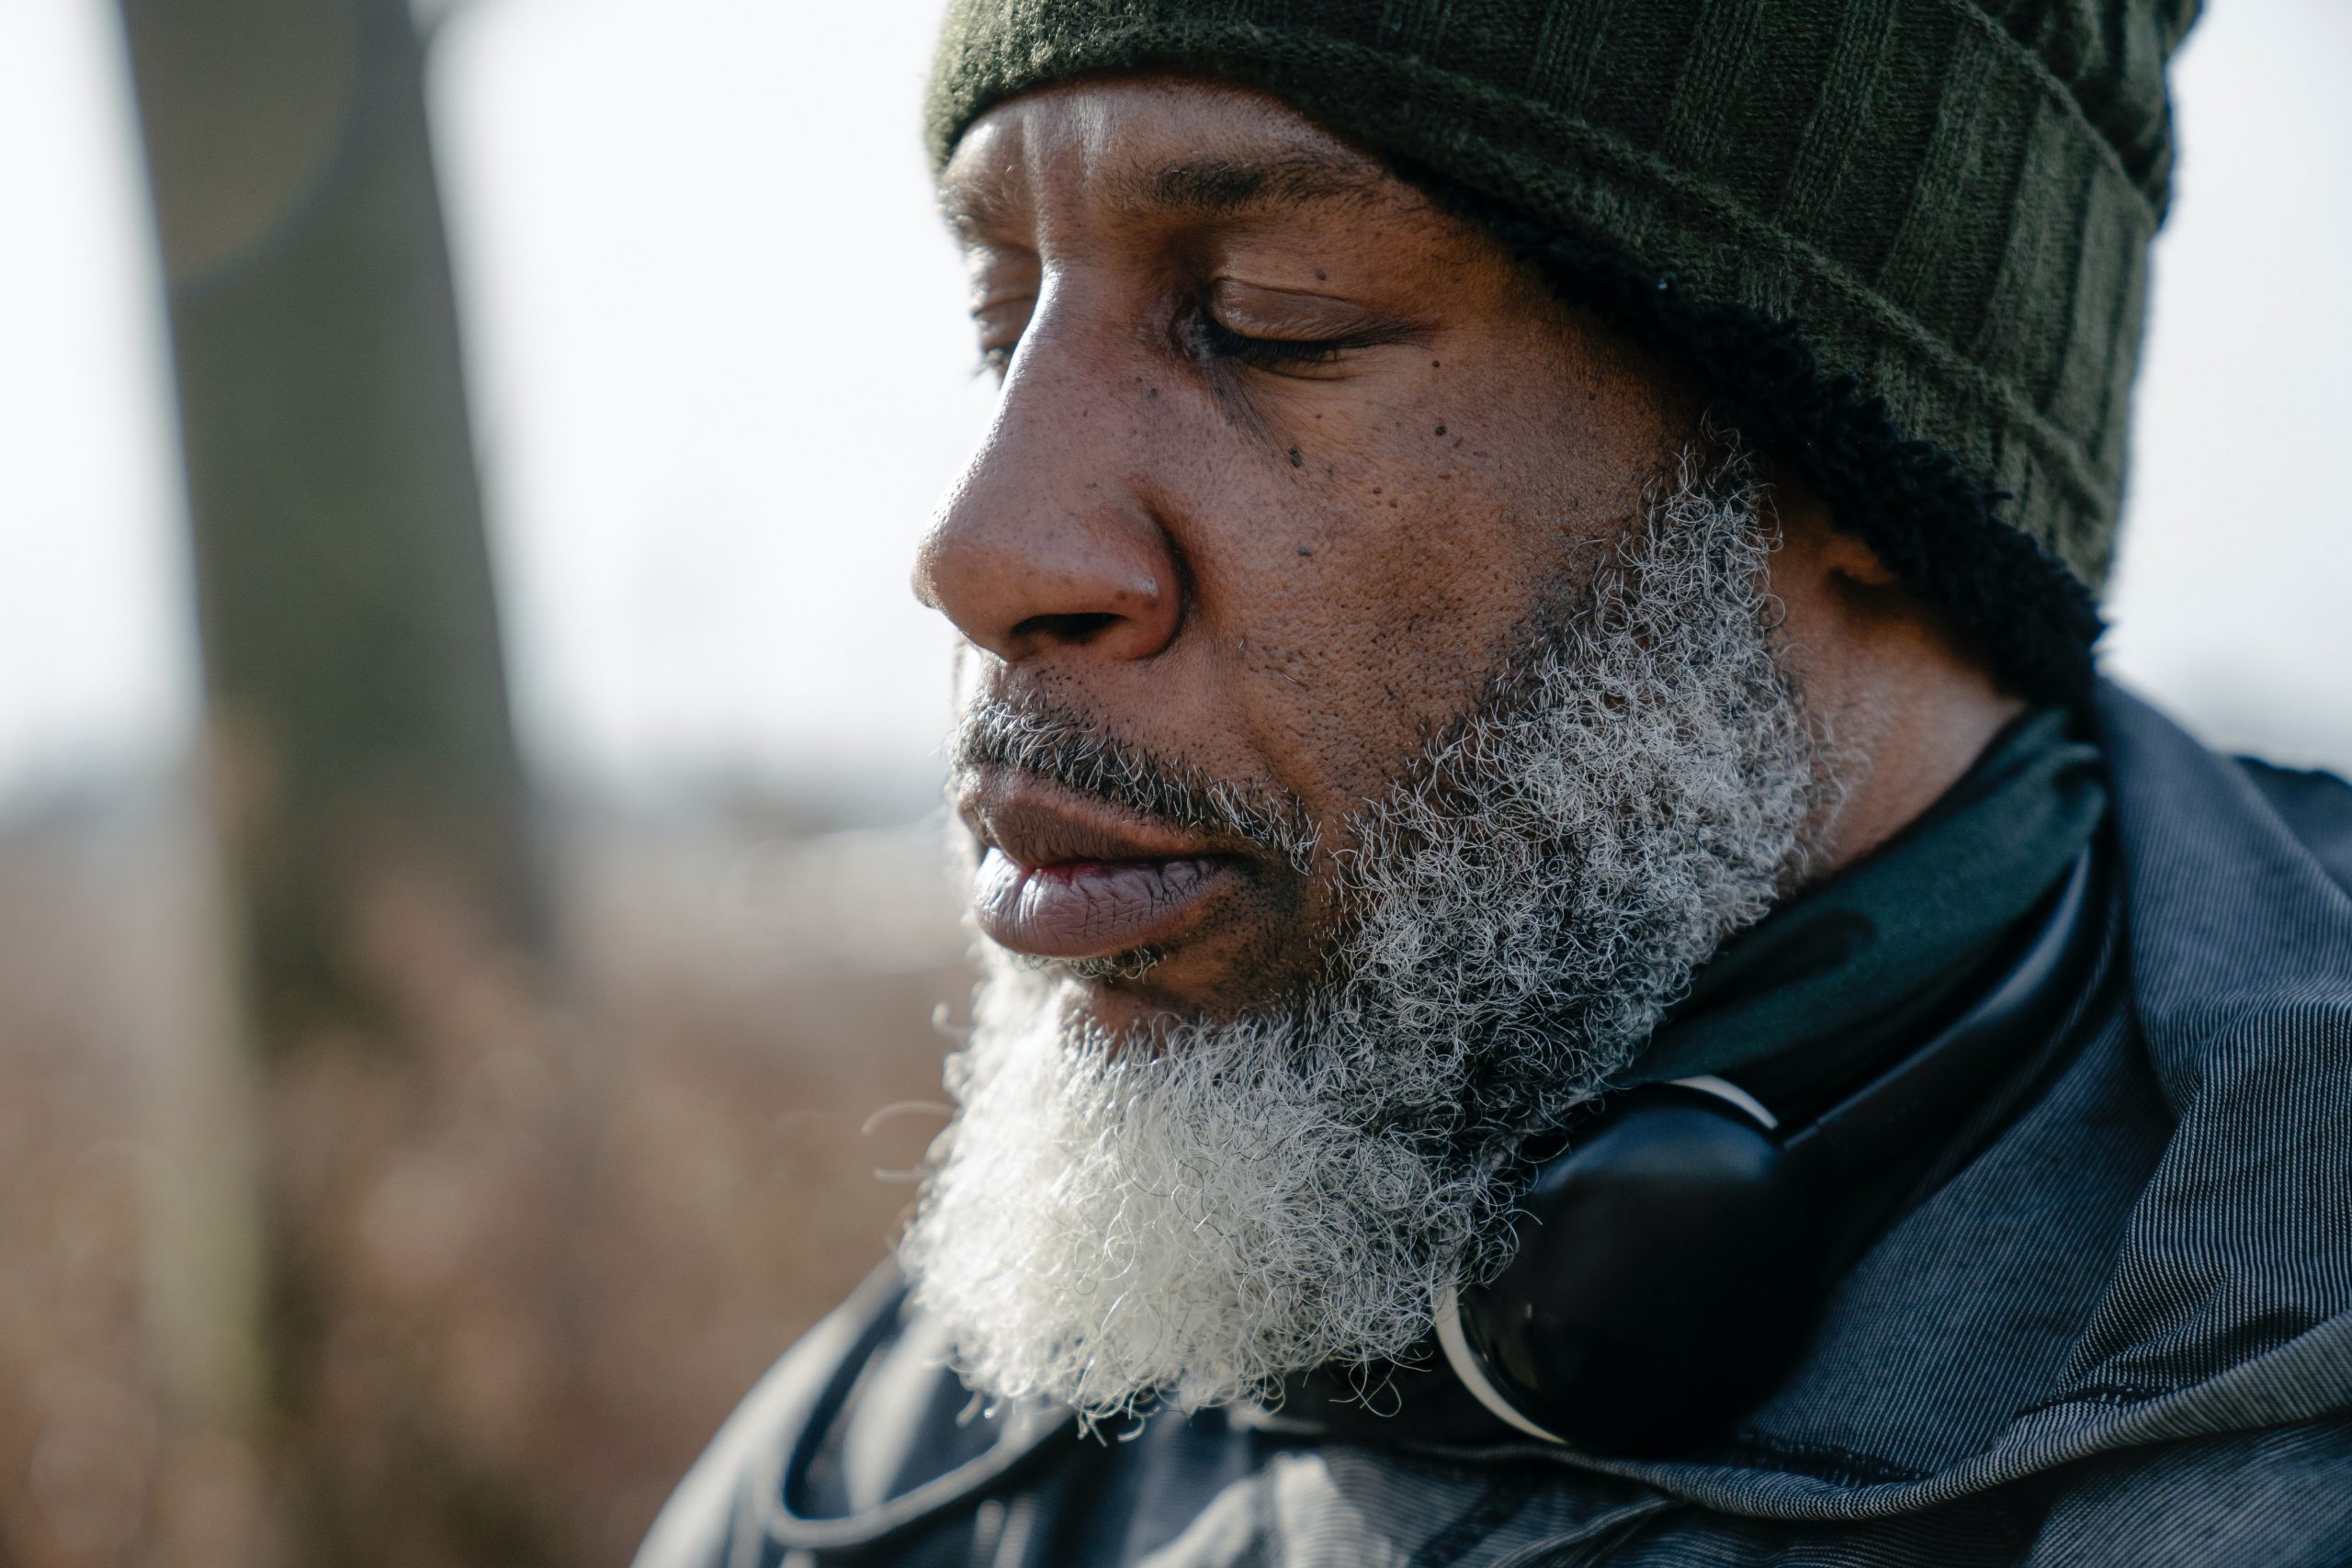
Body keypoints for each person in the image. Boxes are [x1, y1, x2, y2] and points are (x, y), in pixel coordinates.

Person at [637, 2, 2352, 1562]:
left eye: (1266, 321)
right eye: (1001, 318)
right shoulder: (878, 1471)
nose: (980, 549)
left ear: (1872, 463)